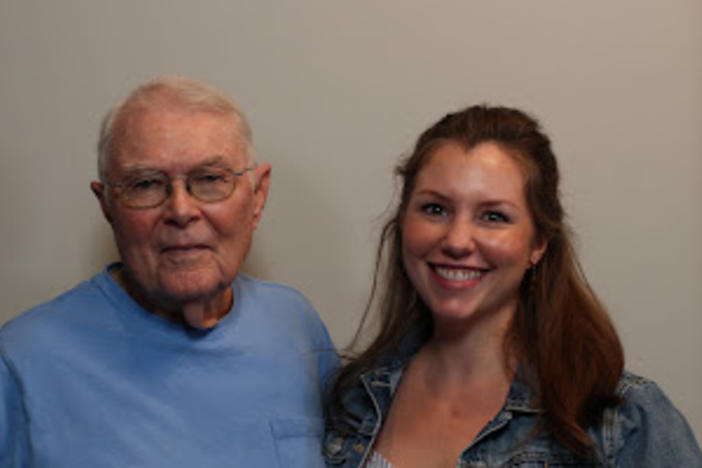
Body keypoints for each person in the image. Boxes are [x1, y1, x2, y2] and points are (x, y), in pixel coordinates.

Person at [324, 105, 702, 467]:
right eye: (435, 209)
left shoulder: (620, 420)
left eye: (493, 216)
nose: (457, 240)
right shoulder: (351, 399)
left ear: (538, 243)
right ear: (404, 222)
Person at [0, 76, 337, 468]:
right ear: (107, 204)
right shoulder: (22, 361)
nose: (180, 210)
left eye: (210, 179)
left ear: (257, 196)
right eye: (145, 184)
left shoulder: (295, 323)